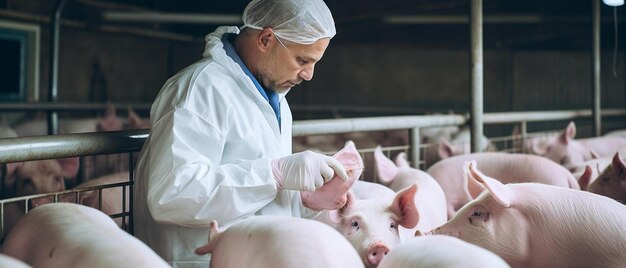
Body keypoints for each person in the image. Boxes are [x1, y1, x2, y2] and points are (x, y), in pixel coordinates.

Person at [133, 0, 349, 266]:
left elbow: (260, 196)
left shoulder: (277, 97)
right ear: (266, 39)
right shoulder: (201, 89)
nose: (309, 75)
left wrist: (304, 200)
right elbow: (171, 193)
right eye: (302, 60)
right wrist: (274, 174)